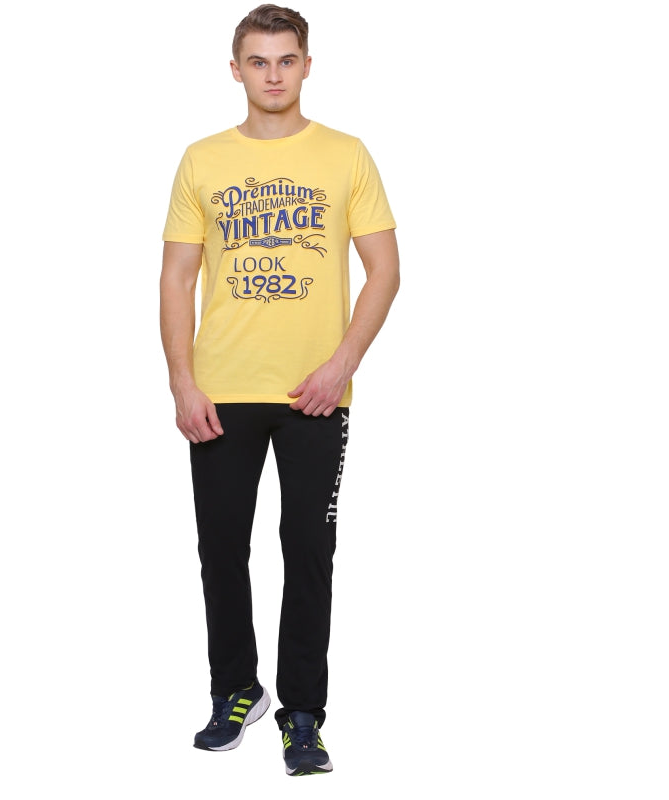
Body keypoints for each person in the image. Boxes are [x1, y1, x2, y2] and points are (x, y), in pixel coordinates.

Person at [159, 4, 399, 777]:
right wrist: (182, 381)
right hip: (222, 389)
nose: (273, 74)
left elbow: (385, 271)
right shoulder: (201, 160)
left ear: (306, 66)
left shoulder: (346, 155)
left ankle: (302, 713)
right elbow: (177, 277)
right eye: (258, 61)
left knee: (310, 552)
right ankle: (236, 690)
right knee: (222, 550)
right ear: (236, 70)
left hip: (315, 395)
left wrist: (341, 367)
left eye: (286, 60)